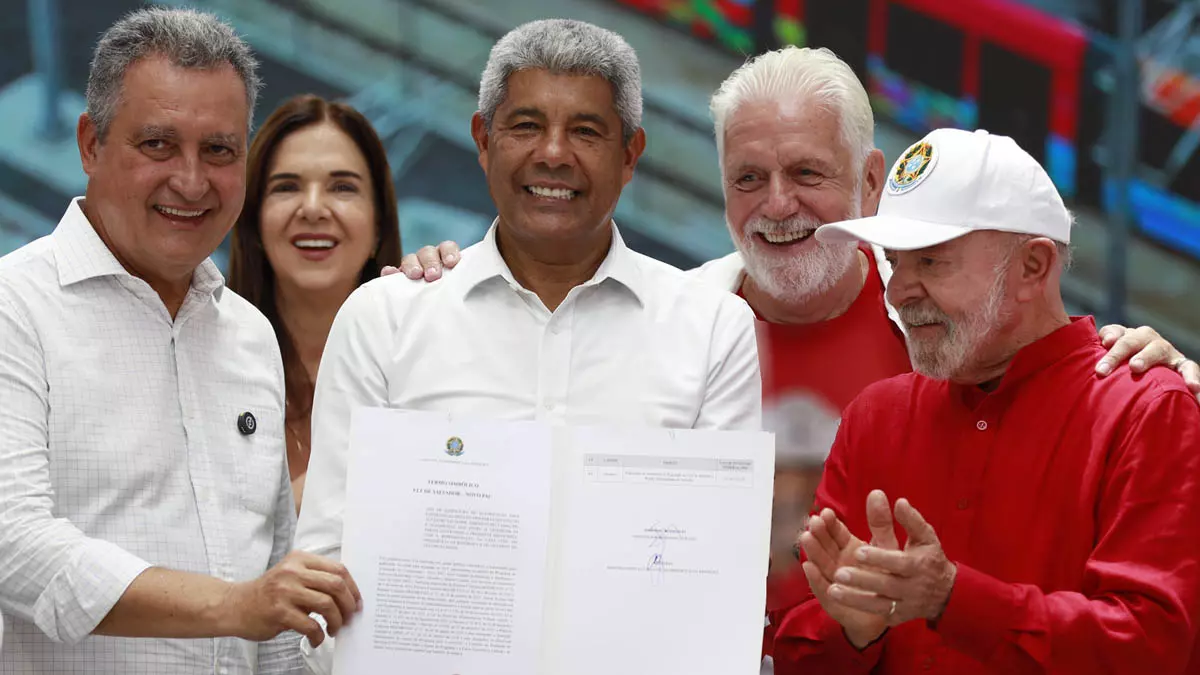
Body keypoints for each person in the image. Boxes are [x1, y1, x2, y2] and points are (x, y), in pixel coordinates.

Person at [393, 45, 1200, 661]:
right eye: (748, 178)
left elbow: (1160, 638)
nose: (778, 205)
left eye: (808, 171)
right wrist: (432, 286)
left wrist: (945, 598)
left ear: (869, 181)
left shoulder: (1124, 393)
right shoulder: (653, 327)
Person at [293, 18, 762, 672]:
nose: (554, 153)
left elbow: (716, 584)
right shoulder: (387, 319)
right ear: (483, 140)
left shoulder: (712, 330)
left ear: (631, 155)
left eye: (587, 131)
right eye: (526, 125)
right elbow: (322, 583)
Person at [0, 9, 359, 673]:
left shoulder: (249, 335)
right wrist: (234, 605)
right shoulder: (13, 307)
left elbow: (275, 610)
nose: (191, 181)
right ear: (90, 144)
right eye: (158, 145)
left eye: (219, 150)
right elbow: (14, 547)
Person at [778, 127, 1200, 673]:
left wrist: (952, 599)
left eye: (930, 261)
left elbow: (1150, 648)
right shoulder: (874, 416)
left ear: (1033, 267)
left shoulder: (1148, 410)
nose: (897, 290)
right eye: (894, 261)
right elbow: (798, 649)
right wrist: (853, 630)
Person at [228, 94, 404, 513]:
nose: (312, 208)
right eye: (286, 187)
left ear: (379, 224)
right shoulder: (199, 360)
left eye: (342, 187)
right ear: (254, 222)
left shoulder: (425, 360)